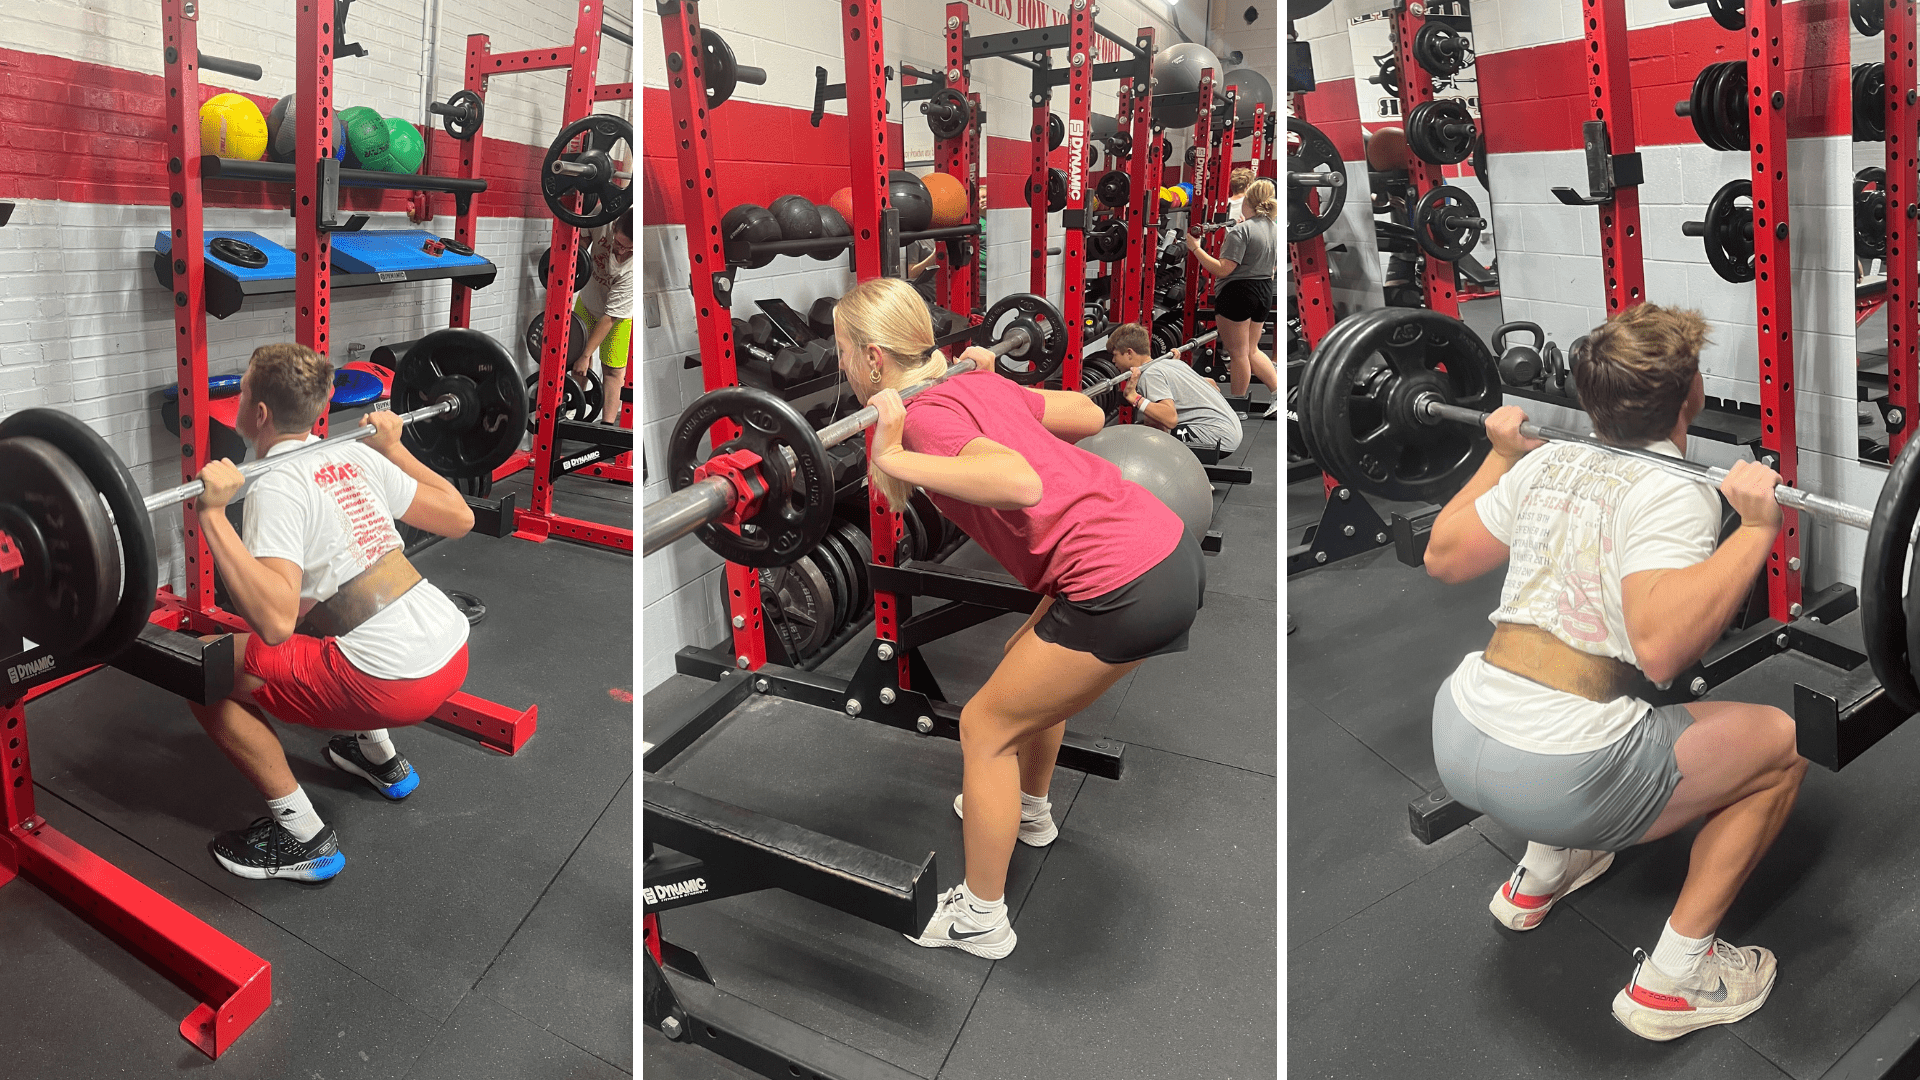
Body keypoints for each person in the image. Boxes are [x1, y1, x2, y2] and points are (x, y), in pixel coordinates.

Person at [1421, 304, 1806, 1042]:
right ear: (1690, 392)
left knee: (1600, 681)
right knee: (1782, 746)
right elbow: (1664, 651)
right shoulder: (1676, 490)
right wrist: (1757, 528)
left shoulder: (1548, 459)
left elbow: (1443, 556)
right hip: (1557, 773)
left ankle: (1539, 876)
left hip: (1460, 728)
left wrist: (1498, 455)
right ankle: (1675, 980)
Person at [834, 277, 1204, 959]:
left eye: (844, 354)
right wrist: (996, 377)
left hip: (1121, 581)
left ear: (875, 358)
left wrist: (889, 454)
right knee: (1024, 653)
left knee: (985, 728)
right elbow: (1089, 418)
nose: (842, 368)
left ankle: (981, 918)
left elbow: (1018, 483)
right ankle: (1029, 810)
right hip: (1160, 545)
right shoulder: (973, 385)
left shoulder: (926, 418)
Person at [188, 343, 477, 882]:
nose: (241, 397)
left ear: (259, 413)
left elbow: (273, 625)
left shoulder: (274, 485)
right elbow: (460, 516)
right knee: (324, 616)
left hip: (393, 682)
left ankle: (301, 836)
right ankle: (379, 757)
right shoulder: (356, 454)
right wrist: (394, 448)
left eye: (244, 389)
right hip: (450, 651)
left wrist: (212, 514)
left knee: (205, 670)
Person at [1184, 178, 1279, 409]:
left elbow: (1223, 269)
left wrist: (1195, 247)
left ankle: (1237, 406)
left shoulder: (1241, 231)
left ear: (1248, 202)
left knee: (1238, 354)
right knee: (1251, 349)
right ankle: (1279, 394)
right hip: (1264, 290)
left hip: (1238, 293)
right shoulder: (1274, 228)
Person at [1112, 321, 1242, 454]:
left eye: (1115, 354)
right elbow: (1213, 385)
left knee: (1142, 440)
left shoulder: (1149, 375)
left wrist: (1134, 398)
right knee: (1147, 424)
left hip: (1217, 438)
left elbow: (1170, 420)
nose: (1112, 361)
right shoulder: (1172, 364)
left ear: (1129, 353)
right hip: (1230, 431)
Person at [569, 213, 635, 423]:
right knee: (576, 363)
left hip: (616, 317)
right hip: (588, 302)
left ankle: (607, 427)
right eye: (619, 244)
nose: (621, 251)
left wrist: (586, 354)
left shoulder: (632, 270)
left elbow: (609, 317)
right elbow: (585, 236)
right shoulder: (604, 216)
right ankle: (572, 414)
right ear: (614, 227)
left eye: (629, 249)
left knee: (613, 371)